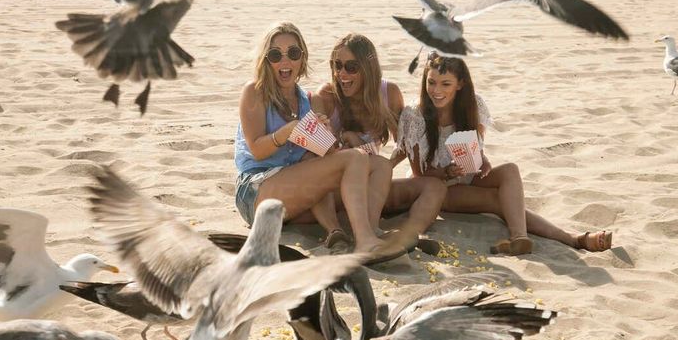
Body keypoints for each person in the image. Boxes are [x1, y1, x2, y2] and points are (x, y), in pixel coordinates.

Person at [397, 52, 613, 256]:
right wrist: (446, 172)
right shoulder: (415, 115)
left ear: (460, 84)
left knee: (510, 170)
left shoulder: (473, 105)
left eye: (445, 84)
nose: (436, 90)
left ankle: (521, 237)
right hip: (439, 187)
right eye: (431, 82)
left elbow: (476, 149)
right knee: (501, 202)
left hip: (467, 176)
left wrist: (483, 161)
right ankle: (572, 239)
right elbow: (418, 174)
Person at [234, 22, 402, 257]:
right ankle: (364, 240)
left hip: (294, 196)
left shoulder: (311, 102)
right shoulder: (255, 91)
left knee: (380, 165)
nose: (285, 61)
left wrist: (330, 139)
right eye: (275, 55)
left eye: (293, 53)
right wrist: (286, 132)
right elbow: (257, 150)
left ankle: (366, 230)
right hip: (257, 193)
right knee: (353, 159)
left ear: (302, 57)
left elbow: (326, 157)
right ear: (266, 60)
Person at [313, 33, 447, 243]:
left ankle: (411, 234)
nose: (341, 73)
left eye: (351, 67)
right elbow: (320, 155)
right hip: (337, 189)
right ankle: (362, 231)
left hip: (373, 184)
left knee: (435, 187)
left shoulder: (388, 93)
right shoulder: (328, 95)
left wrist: (385, 168)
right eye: (337, 65)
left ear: (368, 68)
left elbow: (404, 143)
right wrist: (349, 144)